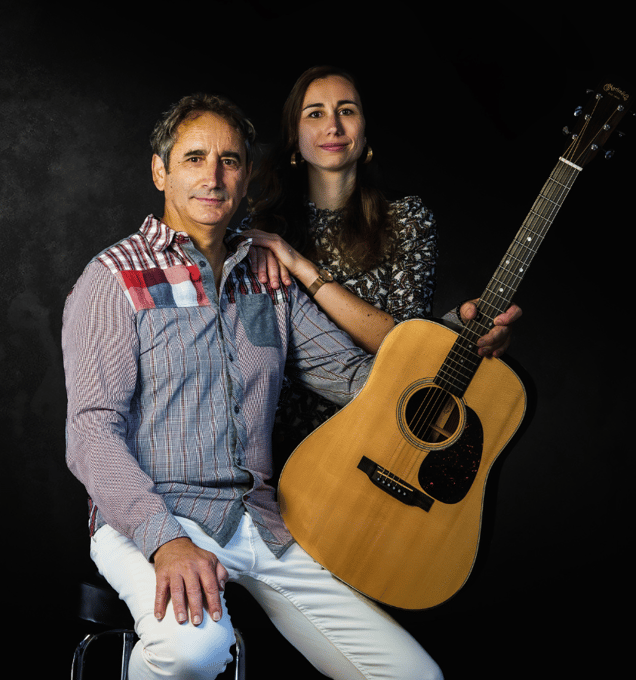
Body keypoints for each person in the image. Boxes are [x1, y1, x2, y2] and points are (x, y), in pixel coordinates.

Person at [63, 92, 444, 680]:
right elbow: (91, 433)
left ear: (246, 175)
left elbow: (354, 381)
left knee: (414, 676)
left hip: (261, 522)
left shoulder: (266, 280)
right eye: (194, 158)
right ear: (161, 170)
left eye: (231, 161)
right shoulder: (115, 278)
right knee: (195, 650)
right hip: (157, 516)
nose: (213, 177)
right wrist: (164, 540)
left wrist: (454, 346)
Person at [242, 65, 521, 465]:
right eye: (315, 113)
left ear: (365, 129)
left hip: (375, 438)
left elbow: (405, 348)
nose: (333, 126)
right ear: (294, 136)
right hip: (273, 442)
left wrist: (302, 267)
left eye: (347, 110)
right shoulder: (262, 227)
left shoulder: (406, 217)